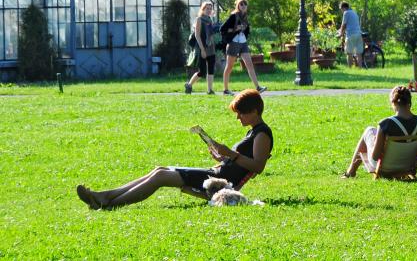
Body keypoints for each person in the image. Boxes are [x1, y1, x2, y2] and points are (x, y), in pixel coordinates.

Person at [76, 89, 272, 209]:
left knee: (161, 177)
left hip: (219, 184)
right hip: (216, 174)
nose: (238, 118)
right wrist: (222, 158)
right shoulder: (253, 132)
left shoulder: (262, 133)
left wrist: (231, 154)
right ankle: (106, 196)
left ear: (254, 111)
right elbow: (239, 163)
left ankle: (109, 203)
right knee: (159, 170)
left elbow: (258, 167)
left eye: (241, 114)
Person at [343, 86, 417, 180]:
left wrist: (376, 142)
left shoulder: (386, 124)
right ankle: (351, 171)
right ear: (410, 102)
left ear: (393, 103)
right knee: (372, 132)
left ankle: (350, 171)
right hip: (408, 166)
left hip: (385, 168)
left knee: (369, 131)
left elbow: (375, 156)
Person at [221, 0, 265, 95]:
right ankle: (225, 89)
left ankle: (258, 87)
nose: (243, 6)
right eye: (241, 4)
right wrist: (235, 29)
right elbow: (223, 29)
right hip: (234, 43)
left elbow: (247, 30)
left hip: (243, 42)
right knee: (229, 66)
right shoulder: (233, 16)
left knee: (249, 64)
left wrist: (244, 32)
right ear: (238, 6)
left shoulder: (245, 17)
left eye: (245, 4)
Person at [184, 2, 219, 95]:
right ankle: (189, 85)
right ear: (203, 9)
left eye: (210, 9)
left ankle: (210, 90)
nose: (209, 10)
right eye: (207, 8)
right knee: (202, 71)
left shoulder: (209, 20)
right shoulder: (199, 19)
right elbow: (197, 35)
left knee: (211, 69)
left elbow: (210, 34)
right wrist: (202, 50)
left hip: (210, 47)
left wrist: (213, 45)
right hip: (201, 48)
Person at [339, 2, 364, 68]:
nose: (341, 11)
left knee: (349, 52)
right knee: (359, 53)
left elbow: (344, 25)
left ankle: (350, 68)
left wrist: (340, 33)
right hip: (358, 34)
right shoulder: (354, 12)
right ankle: (360, 68)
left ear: (343, 8)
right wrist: (340, 30)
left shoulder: (346, 13)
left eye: (341, 9)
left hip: (351, 34)